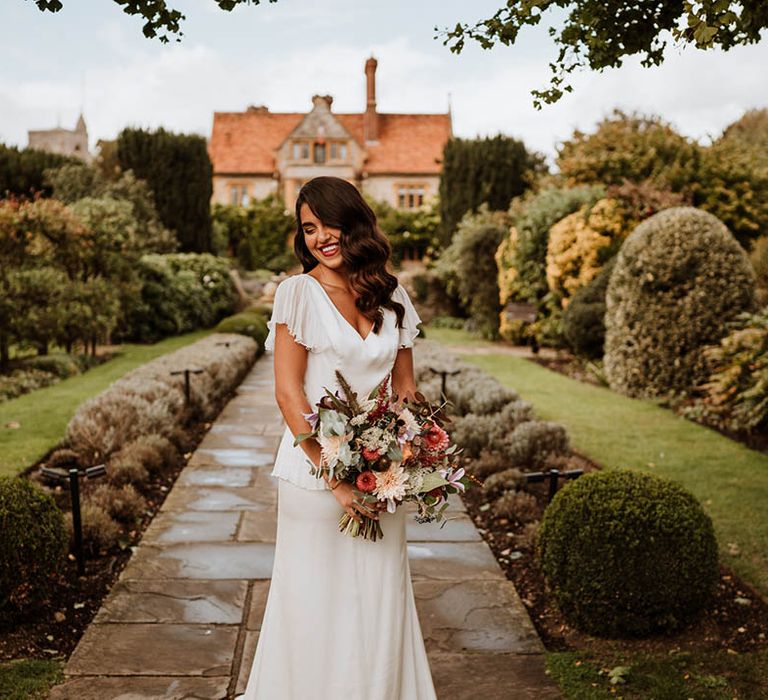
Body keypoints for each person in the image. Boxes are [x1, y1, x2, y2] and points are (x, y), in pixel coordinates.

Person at [239, 176, 437, 699]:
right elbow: (288, 395)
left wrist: (416, 457)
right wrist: (338, 482)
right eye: (308, 228)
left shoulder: (392, 297)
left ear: (355, 223)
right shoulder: (297, 293)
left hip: (381, 476)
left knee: (379, 599)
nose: (321, 236)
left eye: (329, 223)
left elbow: (406, 391)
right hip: (313, 478)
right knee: (314, 607)